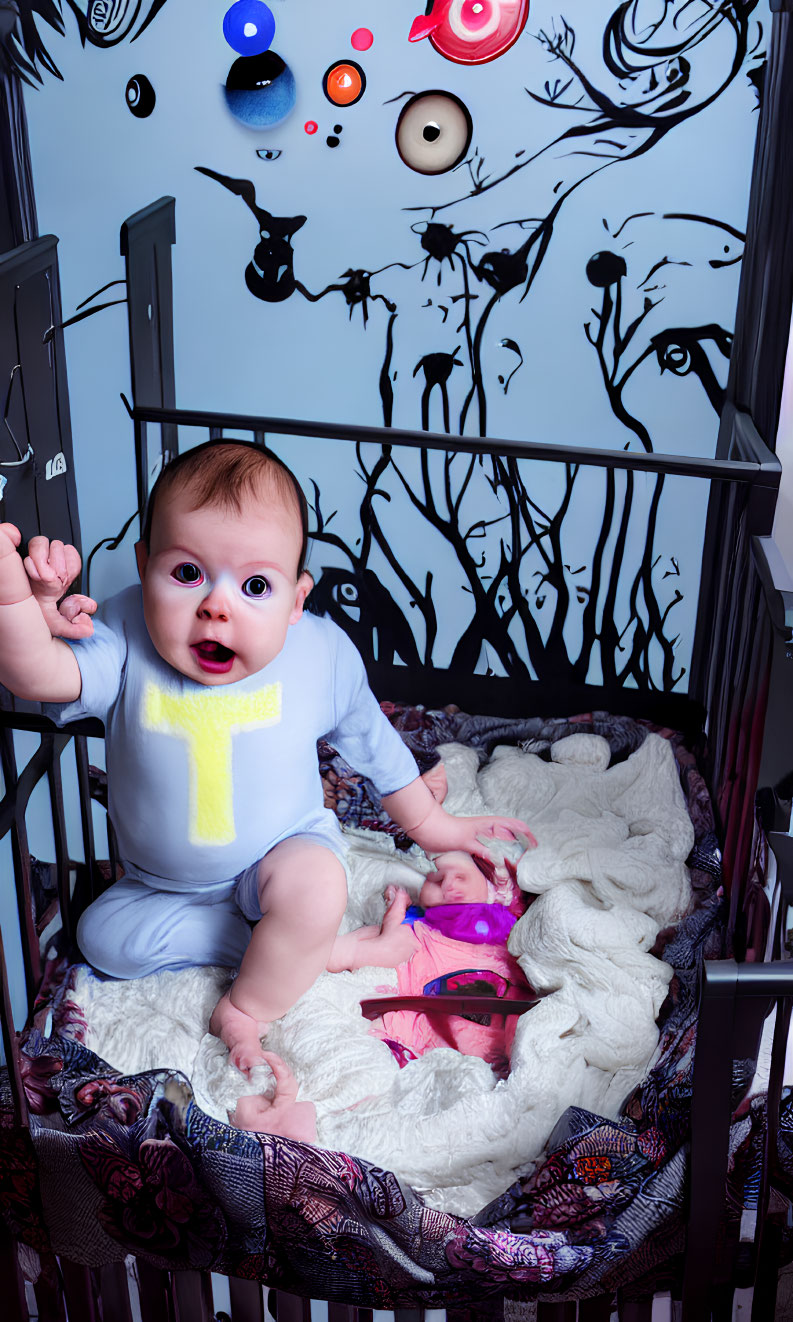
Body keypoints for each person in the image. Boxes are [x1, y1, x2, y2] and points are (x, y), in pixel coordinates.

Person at [0, 440, 536, 1077]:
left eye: (256, 585)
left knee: (318, 885)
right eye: (187, 573)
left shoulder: (320, 657)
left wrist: (433, 827)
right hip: (161, 887)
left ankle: (248, 1004)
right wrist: (17, 604)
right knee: (100, 939)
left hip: (277, 857)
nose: (217, 606)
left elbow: (375, 744)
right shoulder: (121, 634)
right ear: (143, 566)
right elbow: (36, 673)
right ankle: (313, 951)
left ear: (296, 599)